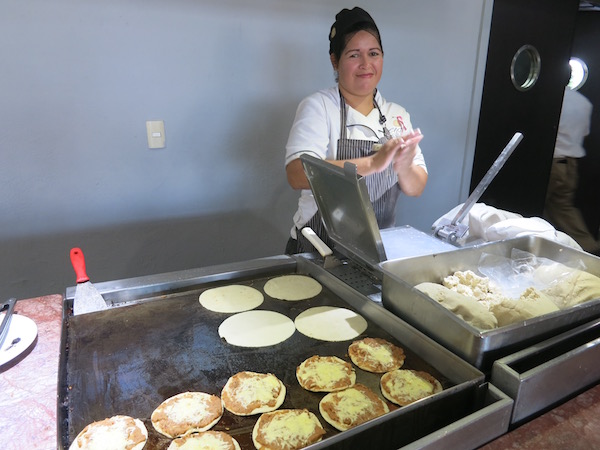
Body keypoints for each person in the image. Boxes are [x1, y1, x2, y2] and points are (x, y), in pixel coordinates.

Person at [284, 7, 428, 254]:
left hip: (375, 254)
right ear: (334, 60)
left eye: (373, 53)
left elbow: (416, 187)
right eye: (354, 55)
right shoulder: (318, 107)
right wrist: (373, 163)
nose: (366, 64)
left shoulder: (397, 115)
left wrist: (403, 167)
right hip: (318, 252)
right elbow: (296, 173)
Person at [544, 86, 599, 255]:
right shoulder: (584, 102)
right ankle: (590, 249)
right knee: (563, 207)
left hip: (551, 162)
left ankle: (537, 247)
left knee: (535, 204)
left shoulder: (552, 96)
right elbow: (584, 133)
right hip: (571, 165)